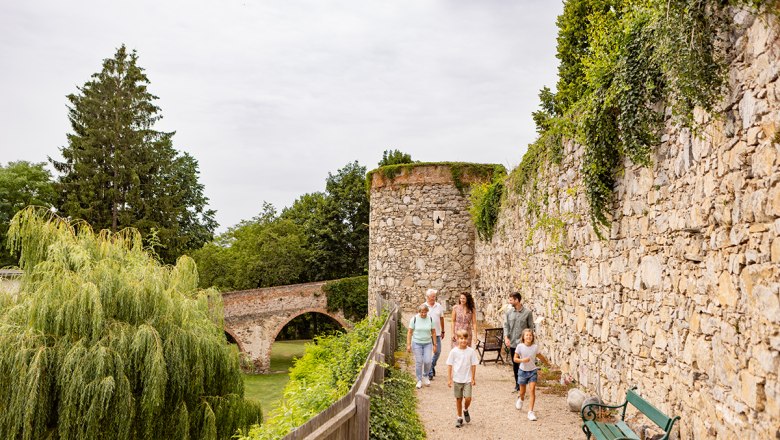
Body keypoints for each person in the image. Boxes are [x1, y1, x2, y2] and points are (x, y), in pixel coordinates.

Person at [513, 328, 549, 421]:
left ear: (532, 337)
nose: (529, 336)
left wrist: (547, 363)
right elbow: (515, 359)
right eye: (527, 335)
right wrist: (522, 360)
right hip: (522, 371)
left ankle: (530, 412)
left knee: (532, 390)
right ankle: (521, 399)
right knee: (522, 392)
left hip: (532, 371)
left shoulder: (535, 347)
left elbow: (540, 356)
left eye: (530, 335)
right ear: (523, 337)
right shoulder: (520, 346)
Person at [447, 329, 478, 428]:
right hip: (457, 379)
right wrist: (449, 379)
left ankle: (465, 409)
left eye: (465, 338)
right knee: (458, 399)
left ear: (468, 339)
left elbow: (473, 365)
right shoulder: (454, 352)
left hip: (467, 379)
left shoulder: (471, 351)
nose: (463, 341)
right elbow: (449, 365)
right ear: (457, 339)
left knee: (468, 398)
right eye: (461, 338)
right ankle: (459, 417)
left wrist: (473, 378)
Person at [503, 291, 534, 392]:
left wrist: (529, 341)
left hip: (523, 344)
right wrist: (506, 338)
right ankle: (518, 384)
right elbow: (506, 325)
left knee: (524, 364)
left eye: (511, 299)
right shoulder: (509, 313)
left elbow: (531, 327)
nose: (509, 301)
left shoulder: (528, 313)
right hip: (513, 342)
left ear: (517, 300)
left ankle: (525, 382)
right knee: (515, 364)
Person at [406, 304, 437, 389]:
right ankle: (419, 380)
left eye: (425, 312)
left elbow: (433, 332)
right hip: (416, 343)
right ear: (419, 312)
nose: (423, 314)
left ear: (427, 311)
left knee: (427, 361)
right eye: (422, 312)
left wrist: (435, 344)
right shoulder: (414, 319)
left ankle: (425, 375)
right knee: (419, 361)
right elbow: (409, 332)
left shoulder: (430, 319)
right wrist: (408, 344)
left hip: (427, 343)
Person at [422, 288, 445, 379]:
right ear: (427, 297)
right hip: (426, 334)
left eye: (434, 296)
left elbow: (442, 318)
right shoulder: (423, 306)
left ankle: (430, 366)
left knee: (438, 351)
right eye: (432, 297)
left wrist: (443, 330)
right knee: (427, 353)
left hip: (438, 333)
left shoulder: (438, 306)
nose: (433, 298)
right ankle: (430, 372)